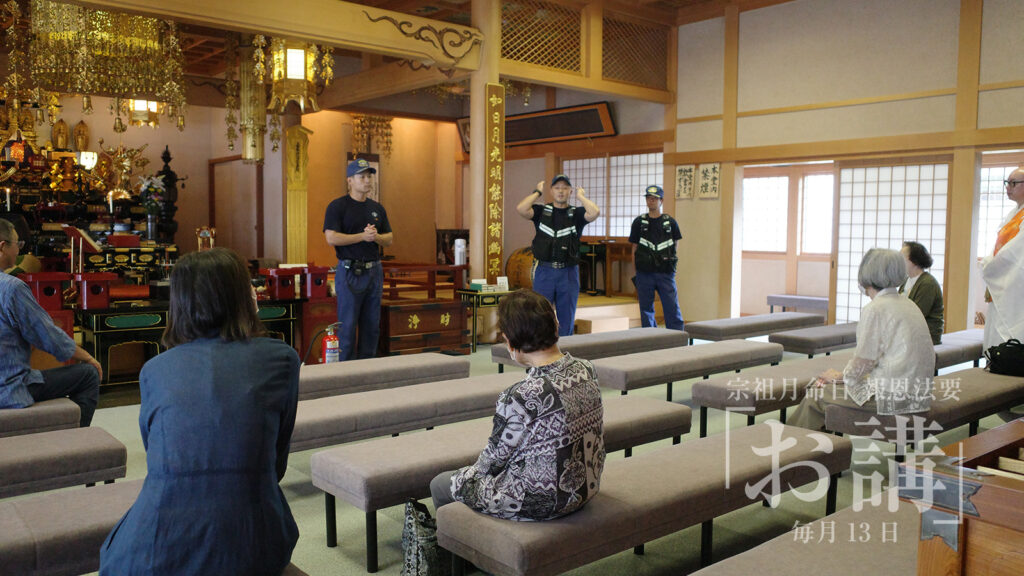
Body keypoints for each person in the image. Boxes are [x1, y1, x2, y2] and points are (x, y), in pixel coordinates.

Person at [99, 248, 299, 575]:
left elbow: (159, 455)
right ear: (241, 297)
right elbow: (275, 462)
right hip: (250, 539)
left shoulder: (154, 369)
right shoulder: (281, 359)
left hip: (151, 546)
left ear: (179, 302)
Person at [430, 289, 605, 520]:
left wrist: (463, 477)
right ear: (555, 326)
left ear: (511, 342)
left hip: (542, 502)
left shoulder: (520, 396)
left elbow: (491, 463)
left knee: (441, 484)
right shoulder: (586, 368)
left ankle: (466, 550)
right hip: (584, 488)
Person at [789, 248, 935, 431]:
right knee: (829, 388)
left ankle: (791, 446)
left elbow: (864, 361)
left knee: (817, 392)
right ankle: (825, 451)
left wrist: (839, 376)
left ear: (867, 273)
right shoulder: (908, 303)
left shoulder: (875, 309)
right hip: (919, 395)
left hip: (891, 397)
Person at [0, 218, 101, 427]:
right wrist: (88, 356)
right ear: (2, 246)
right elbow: (47, 335)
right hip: (8, 388)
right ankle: (73, 442)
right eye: (17, 245)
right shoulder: (12, 288)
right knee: (89, 375)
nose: (19, 251)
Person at [323, 158, 393, 360]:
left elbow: (389, 238)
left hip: (374, 271)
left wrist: (375, 237)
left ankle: (367, 374)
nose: (367, 181)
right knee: (347, 326)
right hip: (349, 271)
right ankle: (346, 375)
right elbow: (331, 237)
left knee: (372, 326)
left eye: (369, 176)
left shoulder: (377, 208)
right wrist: (361, 237)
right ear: (350, 181)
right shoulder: (337, 206)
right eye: (361, 177)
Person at [516, 174, 599, 337]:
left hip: (568, 273)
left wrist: (581, 197)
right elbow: (521, 209)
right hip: (544, 271)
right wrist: (536, 192)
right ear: (551, 191)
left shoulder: (577, 214)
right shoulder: (541, 211)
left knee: (566, 317)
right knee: (540, 316)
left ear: (570, 191)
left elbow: (595, 212)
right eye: (557, 188)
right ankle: (542, 355)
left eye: (565, 188)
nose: (561, 191)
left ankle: (565, 355)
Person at [628, 184, 684, 330]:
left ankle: (677, 336)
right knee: (646, 309)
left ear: (661, 201)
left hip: (665, 273)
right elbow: (634, 248)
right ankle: (650, 338)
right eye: (648, 198)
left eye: (654, 198)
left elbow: (675, 244)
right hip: (644, 273)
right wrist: (636, 272)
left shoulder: (670, 222)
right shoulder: (639, 222)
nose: (651, 201)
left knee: (671, 306)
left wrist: (671, 266)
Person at [981, 168, 1024, 349]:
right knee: (995, 332)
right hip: (1002, 279)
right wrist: (989, 261)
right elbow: (999, 247)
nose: (1008, 187)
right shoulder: (1013, 214)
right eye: (1007, 183)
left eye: (1013, 183)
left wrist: (992, 265)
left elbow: (1016, 252)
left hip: (1015, 282)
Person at [899, 241, 944, 344]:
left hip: (926, 335)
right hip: (909, 332)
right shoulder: (906, 281)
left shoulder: (928, 283)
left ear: (914, 261)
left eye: (902, 257)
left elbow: (917, 314)